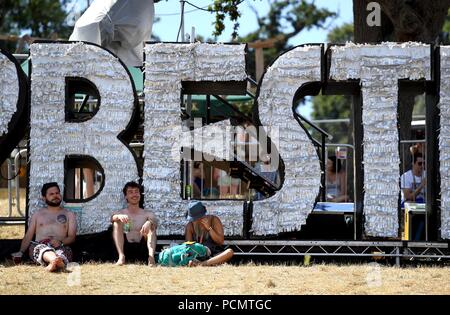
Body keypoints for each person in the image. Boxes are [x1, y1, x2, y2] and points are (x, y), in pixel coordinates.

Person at [11, 182, 77, 272]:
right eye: (51, 194)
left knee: (64, 252)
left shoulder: (69, 215)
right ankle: (54, 260)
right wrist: (21, 252)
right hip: (40, 245)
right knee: (40, 249)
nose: (55, 196)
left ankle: (56, 261)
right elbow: (28, 236)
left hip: (61, 246)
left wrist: (60, 242)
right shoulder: (37, 215)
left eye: (57, 193)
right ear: (44, 197)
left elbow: (72, 237)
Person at [111, 181, 158, 266]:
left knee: (151, 226)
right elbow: (112, 218)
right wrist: (119, 216)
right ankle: (121, 257)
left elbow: (155, 221)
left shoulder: (147, 213)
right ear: (126, 196)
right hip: (126, 247)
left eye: (136, 192)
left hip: (142, 248)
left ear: (140, 195)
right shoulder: (121, 212)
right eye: (130, 192)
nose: (134, 195)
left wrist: (149, 222)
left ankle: (151, 258)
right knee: (116, 223)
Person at [184, 201, 234, 266]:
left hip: (214, 254)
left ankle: (201, 264)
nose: (195, 221)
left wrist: (209, 228)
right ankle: (203, 263)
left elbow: (220, 241)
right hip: (199, 255)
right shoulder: (190, 226)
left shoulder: (214, 220)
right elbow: (188, 247)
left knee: (229, 252)